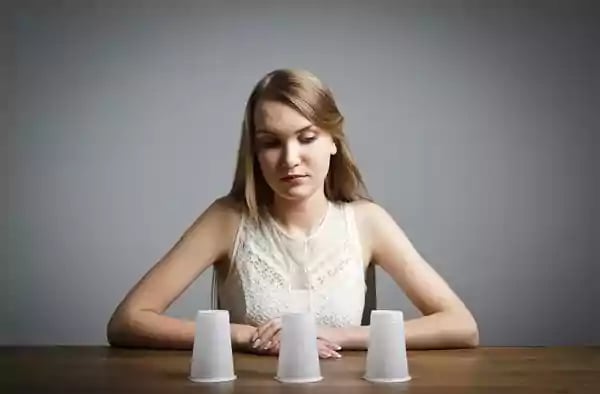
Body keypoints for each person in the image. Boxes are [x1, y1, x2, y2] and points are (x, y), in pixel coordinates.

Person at [107, 68, 479, 358]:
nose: (289, 160)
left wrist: (337, 336)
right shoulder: (226, 220)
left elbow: (461, 326)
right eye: (270, 143)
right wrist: (248, 336)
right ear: (254, 152)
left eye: (307, 138)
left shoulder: (368, 221)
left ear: (334, 140)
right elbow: (127, 322)